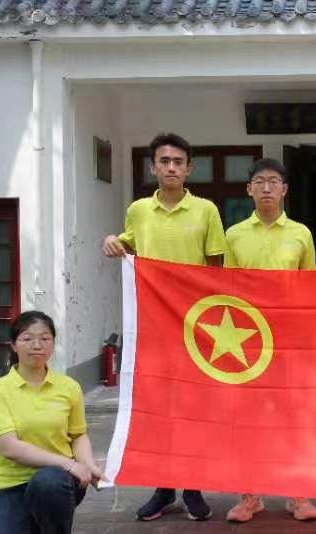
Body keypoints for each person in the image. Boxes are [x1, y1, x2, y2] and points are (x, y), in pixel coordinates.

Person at [102, 132, 226, 522]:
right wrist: (112, 240)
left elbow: (217, 269)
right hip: (154, 330)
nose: (171, 168)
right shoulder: (138, 210)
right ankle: (163, 489)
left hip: (195, 330)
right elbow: (127, 246)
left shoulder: (206, 210)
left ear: (189, 169)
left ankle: (192, 488)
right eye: (164, 161)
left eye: (178, 162)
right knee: (156, 410)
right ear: (153, 167)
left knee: (192, 411)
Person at [223, 158, 316, 522]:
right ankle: (250, 495)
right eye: (260, 181)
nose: (266, 188)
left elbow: (310, 287)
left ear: (284, 189)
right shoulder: (234, 235)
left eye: (274, 181)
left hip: (290, 340)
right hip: (247, 341)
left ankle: (298, 494)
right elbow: (228, 289)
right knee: (249, 419)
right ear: (249, 189)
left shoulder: (301, 233)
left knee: (293, 417)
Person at [0, 311, 104, 534]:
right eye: (27, 338)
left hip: (58, 483)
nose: (36, 345)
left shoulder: (69, 387)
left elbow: (78, 435)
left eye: (45, 338)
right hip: (10, 484)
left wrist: (87, 464)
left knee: (48, 481)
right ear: (13, 346)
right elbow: (9, 447)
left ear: (53, 344)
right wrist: (69, 464)